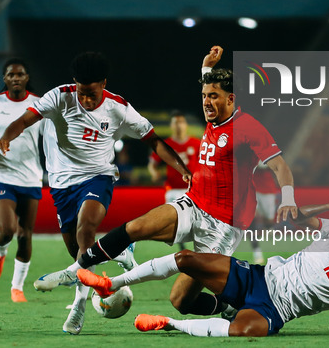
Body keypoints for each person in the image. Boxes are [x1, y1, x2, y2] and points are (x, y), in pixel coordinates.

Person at [33, 46, 298, 325]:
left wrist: (289, 198)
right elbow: (210, 88)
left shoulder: (249, 128)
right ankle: (75, 270)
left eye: (213, 97)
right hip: (194, 203)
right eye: (204, 96)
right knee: (135, 227)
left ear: (231, 99)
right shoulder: (214, 113)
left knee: (182, 301)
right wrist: (206, 67)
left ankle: (231, 305)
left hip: (225, 223)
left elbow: (280, 165)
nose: (206, 102)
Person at [0, 51, 192, 334]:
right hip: (61, 185)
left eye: (92, 94)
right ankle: (118, 254)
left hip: (98, 178)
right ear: (74, 83)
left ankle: (78, 307)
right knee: (79, 253)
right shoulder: (59, 96)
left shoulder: (118, 107)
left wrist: (181, 167)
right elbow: (24, 121)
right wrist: (4, 137)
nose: (86, 100)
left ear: (104, 84)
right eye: (81, 93)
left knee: (85, 229)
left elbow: (153, 140)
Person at [78, 192, 329, 338]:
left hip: (275, 309)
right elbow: (296, 217)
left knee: (243, 331)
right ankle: (113, 283)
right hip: (258, 277)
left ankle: (168, 324)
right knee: (186, 259)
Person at [0, 58, 43, 303]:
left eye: (20, 74)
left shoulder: (38, 104)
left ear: (26, 78)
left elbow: (53, 138)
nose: (15, 78)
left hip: (32, 176)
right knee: (8, 229)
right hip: (1, 174)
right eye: (10, 75)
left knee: (25, 235)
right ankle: (0, 250)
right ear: (5, 79)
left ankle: (17, 287)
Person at [148, 110, 201, 250]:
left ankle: (198, 249)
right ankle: (183, 249)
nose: (179, 125)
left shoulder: (196, 143)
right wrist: (154, 173)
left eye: (181, 122)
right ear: (171, 125)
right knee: (177, 223)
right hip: (173, 190)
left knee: (197, 222)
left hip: (193, 189)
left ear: (186, 125)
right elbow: (152, 164)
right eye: (176, 122)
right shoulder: (166, 145)